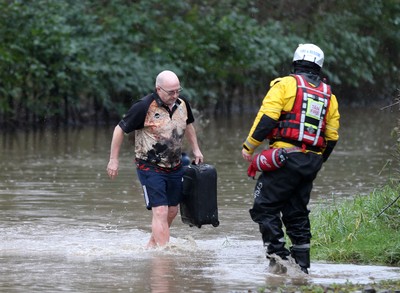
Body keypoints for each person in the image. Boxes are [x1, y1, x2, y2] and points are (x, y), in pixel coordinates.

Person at [241, 44, 340, 274]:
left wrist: (249, 146)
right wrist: (315, 162)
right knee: (296, 212)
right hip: (311, 163)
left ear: (295, 63)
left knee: (264, 208)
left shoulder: (285, 84)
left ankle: (279, 260)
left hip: (284, 159)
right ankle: (302, 266)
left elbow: (267, 118)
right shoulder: (329, 95)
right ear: (319, 67)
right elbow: (332, 136)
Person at [107, 70, 203, 248]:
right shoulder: (144, 106)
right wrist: (114, 159)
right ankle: (163, 256)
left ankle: (153, 245)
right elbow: (119, 129)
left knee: (172, 210)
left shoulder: (182, 104)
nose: (175, 95)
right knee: (160, 211)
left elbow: (188, 124)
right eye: (171, 92)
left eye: (178, 91)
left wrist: (196, 149)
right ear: (158, 89)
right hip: (149, 166)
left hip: (175, 164)